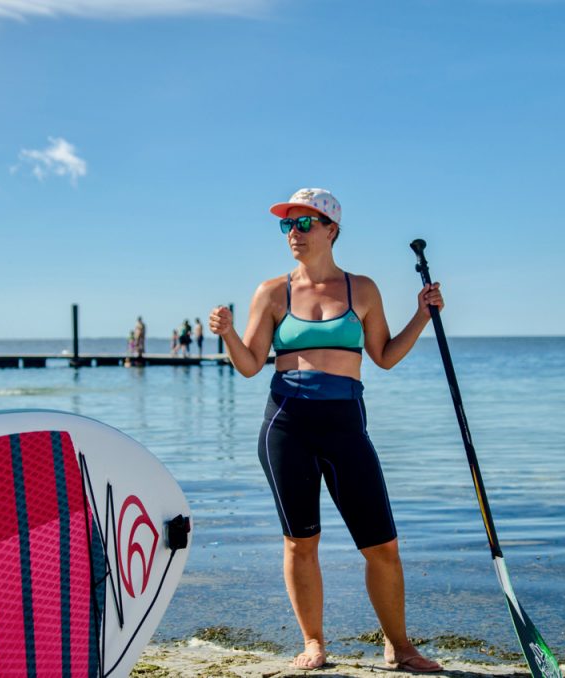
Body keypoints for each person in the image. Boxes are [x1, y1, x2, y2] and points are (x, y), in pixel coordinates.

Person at [209, 187, 443, 672]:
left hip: (345, 426)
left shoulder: (363, 289)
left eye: (304, 223)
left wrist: (421, 315)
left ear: (331, 229)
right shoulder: (272, 292)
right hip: (286, 424)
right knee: (301, 541)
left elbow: (384, 357)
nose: (293, 233)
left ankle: (400, 647)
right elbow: (252, 364)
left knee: (382, 544)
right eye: (287, 225)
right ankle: (314, 643)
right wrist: (229, 332)